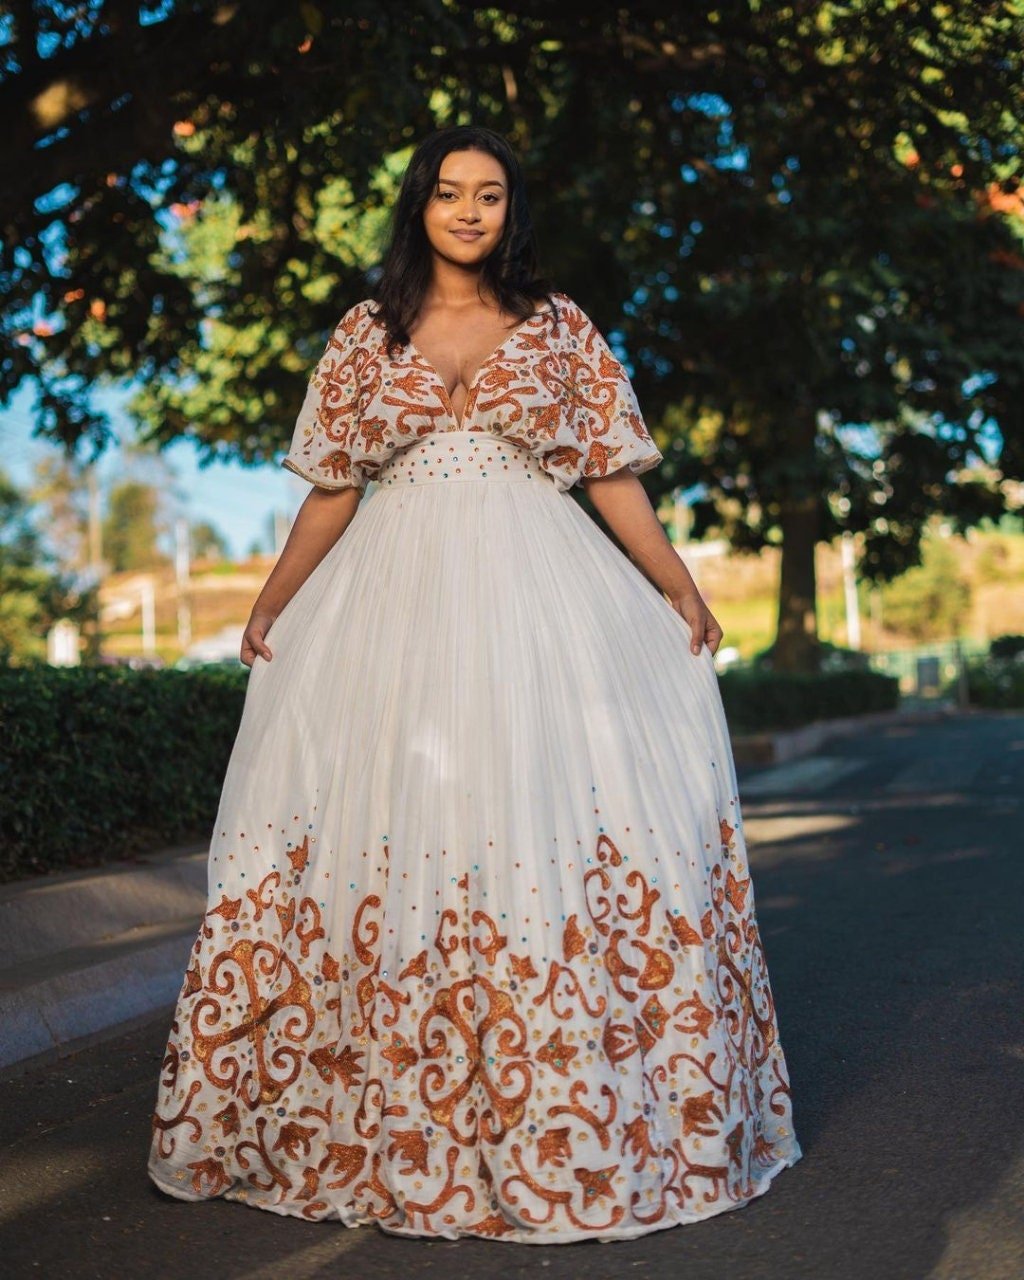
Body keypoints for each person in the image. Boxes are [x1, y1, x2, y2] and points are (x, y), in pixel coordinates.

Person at [148, 124, 801, 1243]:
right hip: (391, 599)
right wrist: (269, 601)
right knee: (393, 817)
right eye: (448, 193)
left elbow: (609, 471)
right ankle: (385, 1117)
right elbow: (330, 490)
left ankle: (559, 1113)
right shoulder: (366, 331)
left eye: (488, 196)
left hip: (535, 587)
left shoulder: (557, 327)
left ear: (510, 212)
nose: (466, 211)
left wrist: (679, 587)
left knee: (535, 814)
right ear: (419, 207)